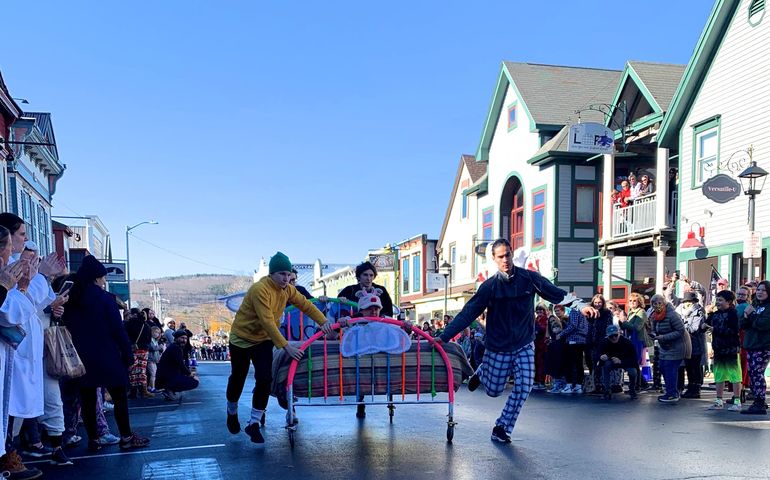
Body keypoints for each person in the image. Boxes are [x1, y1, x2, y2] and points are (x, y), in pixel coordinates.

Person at [436, 239, 578, 443]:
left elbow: (555, 293)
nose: (505, 260)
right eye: (500, 256)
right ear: (494, 259)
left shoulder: (529, 278)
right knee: (494, 391)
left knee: (524, 386)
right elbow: (468, 313)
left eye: (508, 254)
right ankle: (484, 370)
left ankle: (502, 427)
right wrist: (444, 336)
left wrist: (580, 306)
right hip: (498, 347)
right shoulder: (490, 286)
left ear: (512, 254)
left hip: (524, 343)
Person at [226, 252, 331, 444]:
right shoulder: (260, 289)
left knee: (265, 378)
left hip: (263, 340)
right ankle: (231, 411)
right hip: (241, 338)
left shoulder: (288, 290)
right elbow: (267, 321)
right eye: (282, 274)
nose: (286, 278)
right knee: (238, 378)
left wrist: (323, 321)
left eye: (288, 274)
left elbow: (306, 305)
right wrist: (285, 346)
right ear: (272, 273)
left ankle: (254, 422)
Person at [61, 255, 150, 451]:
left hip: (81, 356)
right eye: (103, 277)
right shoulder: (105, 300)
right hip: (107, 355)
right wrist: (128, 355)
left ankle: (94, 439)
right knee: (119, 397)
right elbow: (118, 330)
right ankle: (126, 437)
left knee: (87, 399)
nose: (104, 281)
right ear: (96, 278)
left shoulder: (71, 299)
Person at [704, 290, 742, 412]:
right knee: (718, 375)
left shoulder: (733, 314)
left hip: (730, 348)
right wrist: (706, 318)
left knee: (734, 375)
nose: (718, 302)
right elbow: (703, 327)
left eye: (721, 300)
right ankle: (718, 400)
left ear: (729, 302)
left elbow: (733, 331)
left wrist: (715, 329)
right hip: (718, 349)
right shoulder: (714, 314)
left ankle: (737, 400)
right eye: (717, 300)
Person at [739, 280, 770, 415]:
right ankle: (760, 400)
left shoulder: (768, 307)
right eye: (758, 290)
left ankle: (759, 402)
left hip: (762, 345)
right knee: (752, 373)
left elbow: (762, 324)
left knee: (757, 374)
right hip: (751, 344)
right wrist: (747, 317)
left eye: (763, 290)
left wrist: (751, 315)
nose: (760, 292)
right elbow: (743, 324)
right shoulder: (755, 305)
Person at [649, 294, 685, 404]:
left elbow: (680, 330)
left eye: (659, 303)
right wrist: (653, 333)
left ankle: (672, 394)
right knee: (663, 368)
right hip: (664, 346)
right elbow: (656, 329)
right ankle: (671, 391)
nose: (657, 305)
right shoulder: (655, 316)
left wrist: (664, 337)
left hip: (676, 346)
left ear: (664, 303)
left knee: (670, 369)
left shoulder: (672, 315)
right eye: (654, 304)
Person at [619, 293, 653, 391]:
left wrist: (624, 322)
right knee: (632, 363)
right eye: (630, 301)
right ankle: (641, 384)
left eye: (634, 301)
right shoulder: (630, 312)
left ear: (639, 302)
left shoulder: (641, 312)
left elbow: (637, 327)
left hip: (638, 340)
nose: (632, 303)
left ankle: (636, 386)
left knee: (634, 363)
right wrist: (622, 323)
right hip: (630, 339)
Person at [597, 325, 639, 400]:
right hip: (611, 361)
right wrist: (601, 357)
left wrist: (621, 361)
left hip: (626, 362)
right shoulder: (604, 342)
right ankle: (607, 389)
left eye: (615, 335)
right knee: (606, 366)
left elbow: (634, 360)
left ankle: (632, 389)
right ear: (607, 336)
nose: (614, 338)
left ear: (619, 334)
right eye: (611, 336)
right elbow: (597, 354)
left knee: (633, 371)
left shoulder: (627, 343)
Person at [677, 291, 705, 399]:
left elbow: (694, 328)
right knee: (688, 367)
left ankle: (695, 389)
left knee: (695, 368)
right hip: (686, 345)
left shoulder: (698, 312)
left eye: (689, 302)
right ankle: (690, 388)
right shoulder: (680, 313)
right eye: (685, 302)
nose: (686, 304)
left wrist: (680, 329)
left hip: (695, 344)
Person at [156, 330, 199, 400]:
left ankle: (170, 389)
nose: (184, 340)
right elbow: (181, 364)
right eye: (182, 338)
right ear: (176, 338)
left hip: (166, 377)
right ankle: (169, 388)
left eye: (185, 338)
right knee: (195, 382)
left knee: (187, 379)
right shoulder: (176, 348)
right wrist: (191, 374)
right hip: (167, 378)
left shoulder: (174, 347)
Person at [124, 309, 154, 399]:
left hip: (132, 350)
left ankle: (132, 392)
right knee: (142, 371)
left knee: (132, 371)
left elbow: (124, 338)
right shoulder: (146, 325)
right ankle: (143, 391)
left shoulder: (127, 325)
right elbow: (149, 340)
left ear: (133, 314)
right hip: (144, 351)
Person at [533, 303, 549, 391]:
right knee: (537, 363)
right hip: (537, 343)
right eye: (537, 310)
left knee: (541, 363)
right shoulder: (537, 319)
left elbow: (542, 329)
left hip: (543, 344)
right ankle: (537, 380)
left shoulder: (545, 319)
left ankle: (541, 381)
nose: (539, 312)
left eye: (541, 310)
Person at [147, 326, 163, 393]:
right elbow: (152, 348)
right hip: (150, 360)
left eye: (158, 333)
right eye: (156, 332)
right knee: (153, 374)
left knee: (154, 374)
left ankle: (150, 387)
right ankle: (152, 388)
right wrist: (160, 347)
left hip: (155, 360)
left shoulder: (155, 340)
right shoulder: (150, 340)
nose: (157, 334)